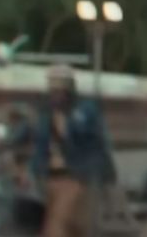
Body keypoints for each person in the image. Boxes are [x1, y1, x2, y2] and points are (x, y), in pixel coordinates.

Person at [29, 64, 116, 237]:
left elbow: (96, 140)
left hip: (76, 175)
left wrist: (99, 172)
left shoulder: (85, 111)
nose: (55, 94)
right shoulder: (45, 114)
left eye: (59, 89)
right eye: (52, 89)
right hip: (50, 175)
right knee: (69, 225)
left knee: (58, 225)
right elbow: (38, 143)